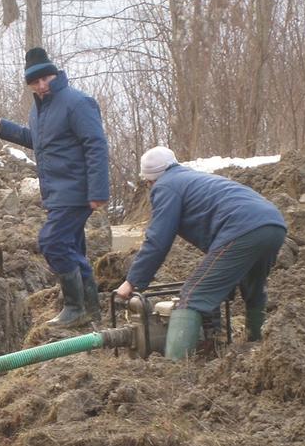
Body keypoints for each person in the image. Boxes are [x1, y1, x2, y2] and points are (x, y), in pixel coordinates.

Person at [115, 146, 286, 360]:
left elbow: (157, 241)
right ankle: (255, 347)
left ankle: (174, 366)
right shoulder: (192, 178)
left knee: (193, 296)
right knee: (253, 288)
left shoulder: (166, 186)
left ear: (149, 180)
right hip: (273, 224)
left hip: (241, 229)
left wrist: (132, 281)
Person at [0, 47, 110, 328]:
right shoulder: (38, 110)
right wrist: (2, 126)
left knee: (51, 242)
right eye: (35, 81)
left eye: (46, 78)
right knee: (73, 249)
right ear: (29, 83)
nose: (41, 85)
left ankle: (75, 307)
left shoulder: (77, 102)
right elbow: (38, 141)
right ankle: (91, 311)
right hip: (56, 192)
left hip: (76, 190)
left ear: (55, 74)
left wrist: (99, 191)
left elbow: (96, 145)